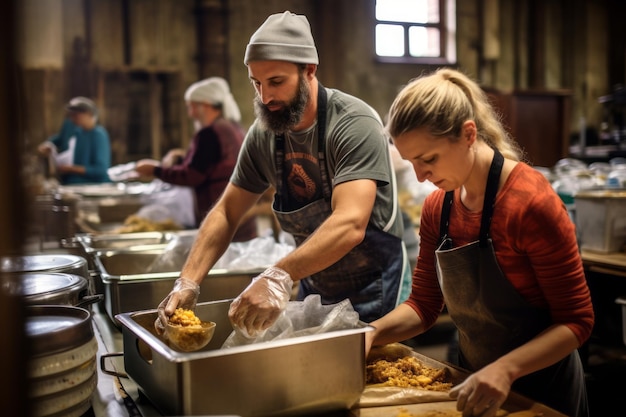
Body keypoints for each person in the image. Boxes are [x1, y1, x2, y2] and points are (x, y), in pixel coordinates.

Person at [155, 11, 411, 337]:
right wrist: (188, 279)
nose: (265, 97)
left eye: (276, 82)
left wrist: (277, 275)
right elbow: (226, 211)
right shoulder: (265, 134)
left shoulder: (353, 123)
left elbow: (350, 224)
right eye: (256, 83)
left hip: (374, 286)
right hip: (313, 281)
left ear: (309, 70)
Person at [366, 68, 594, 417]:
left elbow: (577, 321)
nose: (420, 176)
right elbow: (424, 307)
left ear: (468, 134)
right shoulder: (438, 208)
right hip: (473, 381)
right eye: (411, 162)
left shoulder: (530, 204)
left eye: (428, 159)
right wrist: (370, 333)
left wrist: (505, 369)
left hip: (543, 392)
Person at [133, 77, 257, 241]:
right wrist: (182, 158)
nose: (190, 114)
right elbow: (212, 163)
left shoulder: (210, 133)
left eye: (191, 107)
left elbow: (193, 175)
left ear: (205, 105)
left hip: (221, 209)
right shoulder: (232, 127)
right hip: (240, 209)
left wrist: (155, 170)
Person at [37, 97, 111, 184]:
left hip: (91, 184)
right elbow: (60, 139)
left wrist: (71, 169)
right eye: (71, 115)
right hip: (69, 182)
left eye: (76, 115)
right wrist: (47, 144)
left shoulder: (98, 135)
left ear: (89, 114)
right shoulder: (73, 128)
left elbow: (100, 170)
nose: (72, 119)